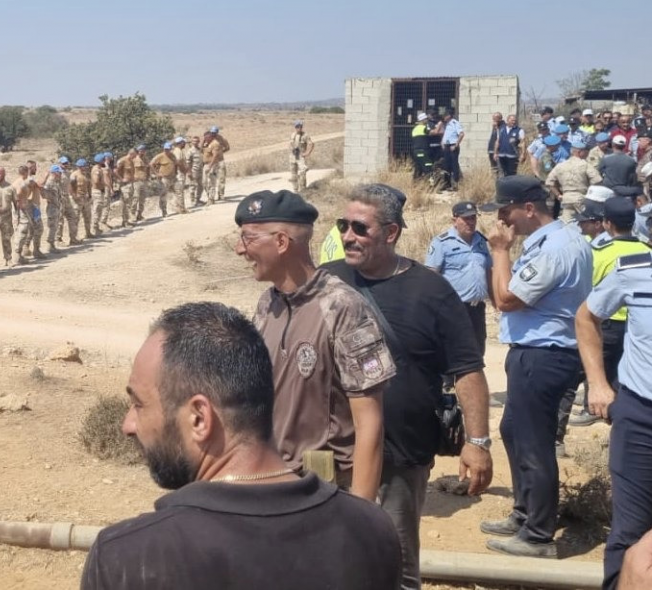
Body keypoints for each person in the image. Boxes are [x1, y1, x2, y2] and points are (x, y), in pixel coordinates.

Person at [81, 301, 402, 590]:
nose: (128, 425)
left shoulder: (127, 560)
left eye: (138, 404)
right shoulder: (372, 530)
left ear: (199, 418)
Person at [324, 184, 493, 589]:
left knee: (392, 563)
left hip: (400, 455)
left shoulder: (431, 291)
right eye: (342, 225)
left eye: (360, 228)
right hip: (331, 451)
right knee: (325, 557)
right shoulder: (327, 281)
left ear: (391, 233)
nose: (348, 235)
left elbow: (467, 370)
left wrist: (478, 442)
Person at [234, 189, 395, 501]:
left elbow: (369, 421)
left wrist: (360, 513)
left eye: (248, 238)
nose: (239, 249)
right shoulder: (268, 304)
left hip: (327, 495)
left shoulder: (343, 307)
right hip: (274, 483)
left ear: (281, 242)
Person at [480, 175, 594, 558]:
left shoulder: (554, 249)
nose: (503, 221)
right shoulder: (557, 241)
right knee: (515, 432)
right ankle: (525, 512)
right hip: (538, 352)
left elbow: (507, 299)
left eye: (505, 211)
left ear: (529, 209)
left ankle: (538, 534)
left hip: (543, 354)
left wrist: (499, 252)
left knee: (533, 443)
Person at [577, 198, 652, 589]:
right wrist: (598, 382)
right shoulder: (634, 272)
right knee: (629, 533)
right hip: (641, 419)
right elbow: (587, 316)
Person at [571, 197, 645, 428]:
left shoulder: (598, 252)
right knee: (626, 372)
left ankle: (591, 409)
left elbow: (590, 287)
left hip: (606, 321)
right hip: (634, 324)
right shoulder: (645, 250)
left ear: (606, 223)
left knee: (596, 365)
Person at [425, 201, 492, 353]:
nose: (471, 222)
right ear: (454, 221)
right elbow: (431, 277)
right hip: (454, 308)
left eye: (473, 218)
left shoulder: (481, 241)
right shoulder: (442, 243)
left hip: (477, 308)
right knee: (454, 354)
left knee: (477, 352)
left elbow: (489, 271)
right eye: (466, 218)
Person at [546, 136, 601, 222]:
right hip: (581, 198)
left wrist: (558, 195)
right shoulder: (585, 165)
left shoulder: (560, 165)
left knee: (567, 224)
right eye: (585, 151)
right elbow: (597, 180)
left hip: (566, 199)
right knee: (588, 222)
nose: (587, 153)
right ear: (580, 152)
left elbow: (549, 182)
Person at [489, 113, 524, 177]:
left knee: (511, 174)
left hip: (512, 156)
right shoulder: (502, 129)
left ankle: (511, 186)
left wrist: (522, 155)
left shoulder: (519, 130)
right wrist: (495, 153)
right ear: (507, 120)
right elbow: (497, 141)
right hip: (501, 155)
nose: (514, 122)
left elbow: (523, 143)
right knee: (501, 173)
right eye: (512, 120)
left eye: (515, 120)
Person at [149, 143, 178, 218]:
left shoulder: (172, 156)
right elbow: (151, 164)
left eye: (168, 149)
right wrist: (157, 173)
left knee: (178, 192)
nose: (167, 151)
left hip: (173, 177)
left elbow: (176, 164)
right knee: (163, 194)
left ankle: (178, 207)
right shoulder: (160, 156)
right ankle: (164, 211)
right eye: (166, 149)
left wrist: (176, 172)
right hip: (164, 178)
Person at [0, 167, 16, 266]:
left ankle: (8, 259)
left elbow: (16, 203)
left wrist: (18, 216)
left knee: (6, 238)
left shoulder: (10, 188)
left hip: (6, 217)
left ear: (4, 174)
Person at [42, 164, 64, 253]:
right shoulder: (50, 182)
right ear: (54, 173)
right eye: (59, 172)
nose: (60, 174)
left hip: (56, 207)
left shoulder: (55, 182)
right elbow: (44, 193)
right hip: (52, 207)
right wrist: (50, 199)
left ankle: (52, 245)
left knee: (54, 226)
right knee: (51, 226)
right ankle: (49, 245)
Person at [440, 108, 465, 188]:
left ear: (449, 116)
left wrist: (456, 145)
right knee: (446, 165)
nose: (444, 117)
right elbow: (446, 135)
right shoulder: (446, 124)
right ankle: (447, 184)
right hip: (446, 146)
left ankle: (455, 183)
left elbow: (461, 134)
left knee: (454, 165)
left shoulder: (455, 123)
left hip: (453, 146)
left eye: (445, 115)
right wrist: (442, 142)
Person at [71, 158, 94, 240]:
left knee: (88, 216)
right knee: (76, 218)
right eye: (84, 166)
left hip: (86, 198)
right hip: (78, 198)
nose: (86, 167)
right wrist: (74, 196)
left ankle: (88, 233)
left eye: (86, 166)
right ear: (79, 167)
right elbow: (71, 187)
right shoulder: (74, 175)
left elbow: (89, 185)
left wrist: (90, 195)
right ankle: (74, 237)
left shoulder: (86, 174)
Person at [290, 120, 314, 192]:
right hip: (293, 156)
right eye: (297, 126)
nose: (299, 128)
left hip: (301, 157)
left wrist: (307, 153)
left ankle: (303, 190)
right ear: (295, 127)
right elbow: (290, 143)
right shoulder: (293, 135)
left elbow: (311, 144)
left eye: (300, 126)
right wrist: (291, 149)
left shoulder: (305, 135)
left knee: (302, 173)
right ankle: (295, 190)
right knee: (293, 174)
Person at [411, 113, 433, 179]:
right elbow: (433, 133)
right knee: (428, 166)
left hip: (416, 151)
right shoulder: (424, 128)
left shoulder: (415, 129)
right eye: (426, 119)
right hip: (423, 151)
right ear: (422, 120)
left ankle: (416, 184)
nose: (427, 120)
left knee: (418, 168)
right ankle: (430, 185)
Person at [187, 135, 205, 206]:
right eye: (194, 141)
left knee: (201, 186)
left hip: (200, 170)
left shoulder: (200, 150)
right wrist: (189, 172)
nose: (195, 142)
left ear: (199, 142)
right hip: (193, 171)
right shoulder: (190, 151)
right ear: (192, 142)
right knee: (192, 186)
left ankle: (198, 200)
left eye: (197, 141)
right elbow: (188, 162)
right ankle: (192, 201)